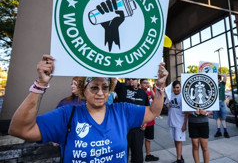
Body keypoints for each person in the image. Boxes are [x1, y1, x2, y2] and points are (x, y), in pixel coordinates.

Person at [8, 54, 168, 162]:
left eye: (105, 87)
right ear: (83, 90)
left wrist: (160, 85)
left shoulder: (121, 111)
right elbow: (19, 129)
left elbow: (153, 111)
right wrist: (41, 84)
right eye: (94, 87)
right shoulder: (67, 114)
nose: (100, 93)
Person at [114, 78, 150, 163]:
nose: (130, 80)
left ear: (137, 81)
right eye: (128, 79)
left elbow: (148, 109)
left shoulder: (142, 93)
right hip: (122, 129)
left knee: (137, 155)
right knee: (122, 154)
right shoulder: (121, 87)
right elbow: (112, 78)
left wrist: (145, 122)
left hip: (138, 129)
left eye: (133, 79)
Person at [165, 80, 186, 163]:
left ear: (180, 87)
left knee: (178, 141)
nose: (176, 89)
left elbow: (187, 112)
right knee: (175, 140)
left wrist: (184, 124)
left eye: (178, 87)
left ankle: (179, 160)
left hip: (179, 123)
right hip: (171, 122)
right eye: (174, 87)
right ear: (172, 88)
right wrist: (167, 105)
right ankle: (179, 156)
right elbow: (166, 105)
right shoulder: (170, 95)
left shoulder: (183, 97)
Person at [140, 79, 159, 162]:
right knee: (138, 140)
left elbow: (156, 98)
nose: (146, 84)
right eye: (144, 83)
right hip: (141, 120)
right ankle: (138, 155)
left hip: (150, 120)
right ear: (140, 84)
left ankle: (148, 155)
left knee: (148, 138)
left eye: (147, 83)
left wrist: (151, 89)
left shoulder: (149, 93)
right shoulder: (138, 93)